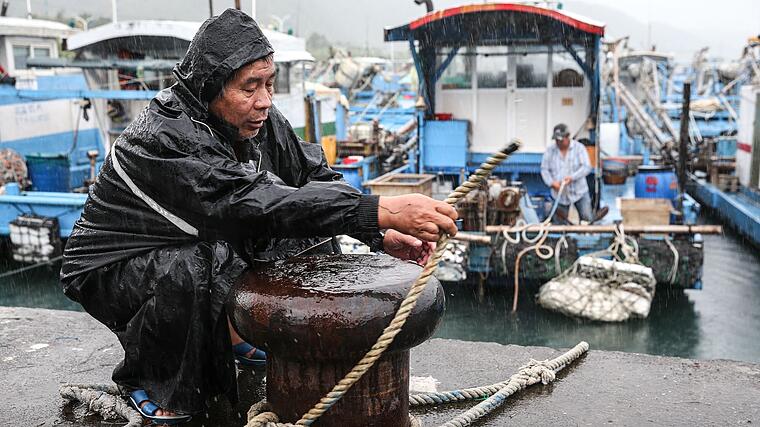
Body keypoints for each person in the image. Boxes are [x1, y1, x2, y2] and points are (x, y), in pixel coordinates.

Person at [59, 9, 457, 424]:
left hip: (198, 234)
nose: (265, 100)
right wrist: (383, 209)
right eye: (250, 87)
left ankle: (239, 335)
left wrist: (377, 233)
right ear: (211, 87)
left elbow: (313, 178)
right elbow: (245, 202)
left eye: (269, 84)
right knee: (187, 268)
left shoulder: (256, 118)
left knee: (307, 229)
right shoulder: (167, 136)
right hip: (110, 266)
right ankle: (160, 381)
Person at [540, 123, 593, 224]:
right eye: (556, 140)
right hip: (560, 195)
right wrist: (551, 183)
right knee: (558, 225)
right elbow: (544, 169)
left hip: (579, 192)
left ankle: (587, 238)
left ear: (568, 137)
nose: (558, 143)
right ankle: (562, 239)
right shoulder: (550, 151)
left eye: (561, 140)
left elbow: (586, 167)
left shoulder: (579, 148)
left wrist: (572, 178)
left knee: (587, 221)